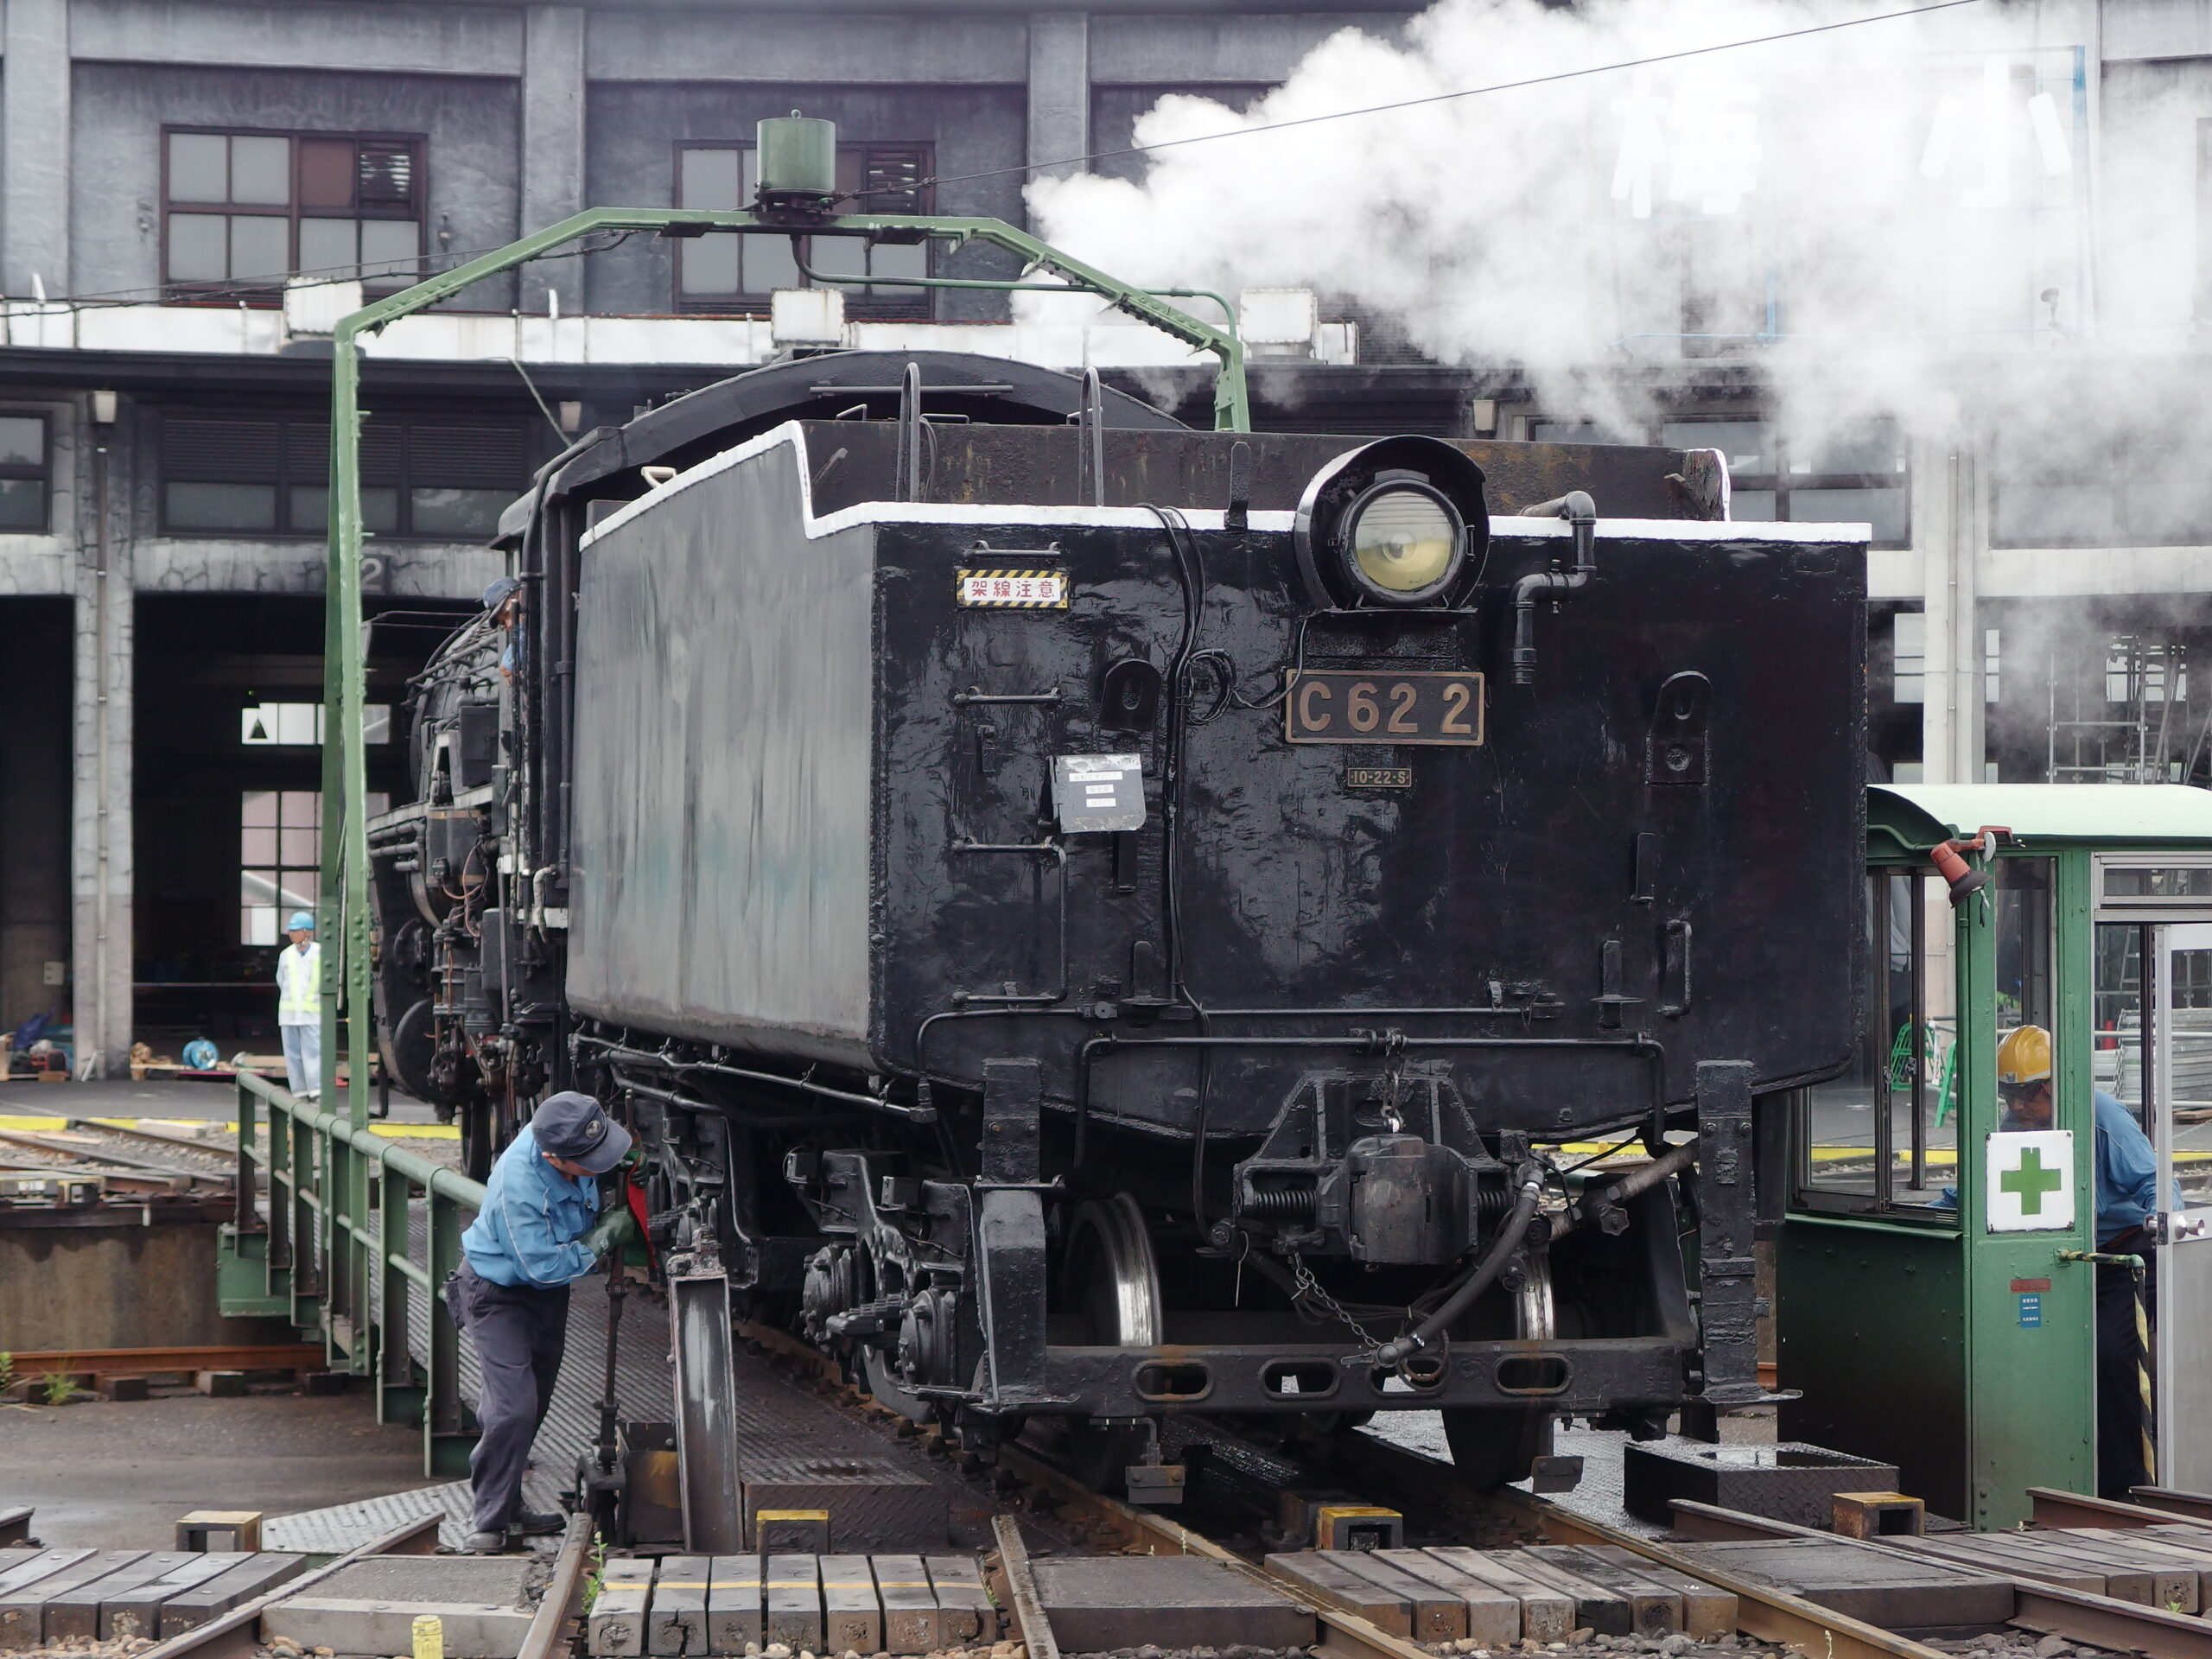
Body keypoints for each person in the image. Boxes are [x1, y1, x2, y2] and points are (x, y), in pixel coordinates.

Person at [447, 1090, 638, 1552]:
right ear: (555, 1158)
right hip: (500, 1296)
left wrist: (633, 1164)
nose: (600, 1164)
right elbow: (540, 1267)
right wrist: (600, 1241)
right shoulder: (520, 1184)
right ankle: (488, 1522)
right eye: (592, 1160)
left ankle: (511, 1506)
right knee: (512, 1408)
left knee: (536, 1403)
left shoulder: (569, 1143)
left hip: (546, 1299)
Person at [1995, 1025, 2167, 1497]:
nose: (2017, 1107)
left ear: (2054, 1084)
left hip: (2122, 1256)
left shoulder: (2101, 1115)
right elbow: (1985, 1182)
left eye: (2027, 1094)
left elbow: (2155, 1180)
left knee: (2115, 1359)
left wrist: (2159, 1218)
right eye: (2008, 1094)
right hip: (2062, 1258)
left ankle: (2127, 1486)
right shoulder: (2017, 1127)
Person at [274, 912, 321, 1100]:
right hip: (288, 1015)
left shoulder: (320, 953)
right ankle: (300, 1091)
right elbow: (280, 980)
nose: (290, 934)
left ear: (307, 932)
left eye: (294, 931)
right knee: (293, 1055)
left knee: (314, 1054)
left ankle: (316, 1091)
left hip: (312, 1014)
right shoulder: (285, 955)